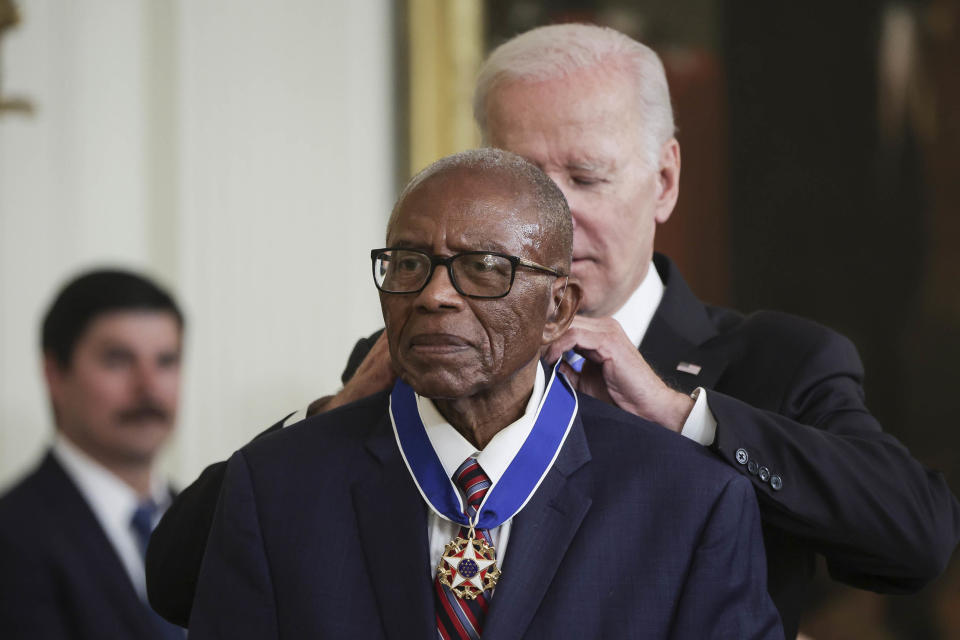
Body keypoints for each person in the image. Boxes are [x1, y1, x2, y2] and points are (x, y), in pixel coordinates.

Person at [147, 24, 960, 638]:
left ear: (665, 179)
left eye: (586, 177)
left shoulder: (772, 363)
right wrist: (334, 410)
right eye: (527, 180)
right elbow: (185, 579)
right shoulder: (416, 353)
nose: (552, 221)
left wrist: (688, 417)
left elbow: (915, 543)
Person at [187, 149, 782, 639]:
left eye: (483, 267)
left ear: (559, 309)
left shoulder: (689, 502)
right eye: (408, 264)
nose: (433, 296)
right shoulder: (275, 487)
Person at [0, 269, 186, 639]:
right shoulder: (11, 539)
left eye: (166, 361)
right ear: (54, 374)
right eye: (118, 359)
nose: (148, 387)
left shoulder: (213, 523)